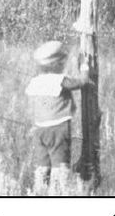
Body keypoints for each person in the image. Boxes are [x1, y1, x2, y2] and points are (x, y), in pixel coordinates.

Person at [26, 39, 92, 193]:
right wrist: (84, 65)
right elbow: (82, 82)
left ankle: (39, 191)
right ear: (58, 63)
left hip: (40, 129)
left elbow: (32, 106)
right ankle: (59, 191)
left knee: (42, 164)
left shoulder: (35, 81)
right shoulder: (60, 80)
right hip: (58, 127)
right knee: (60, 164)